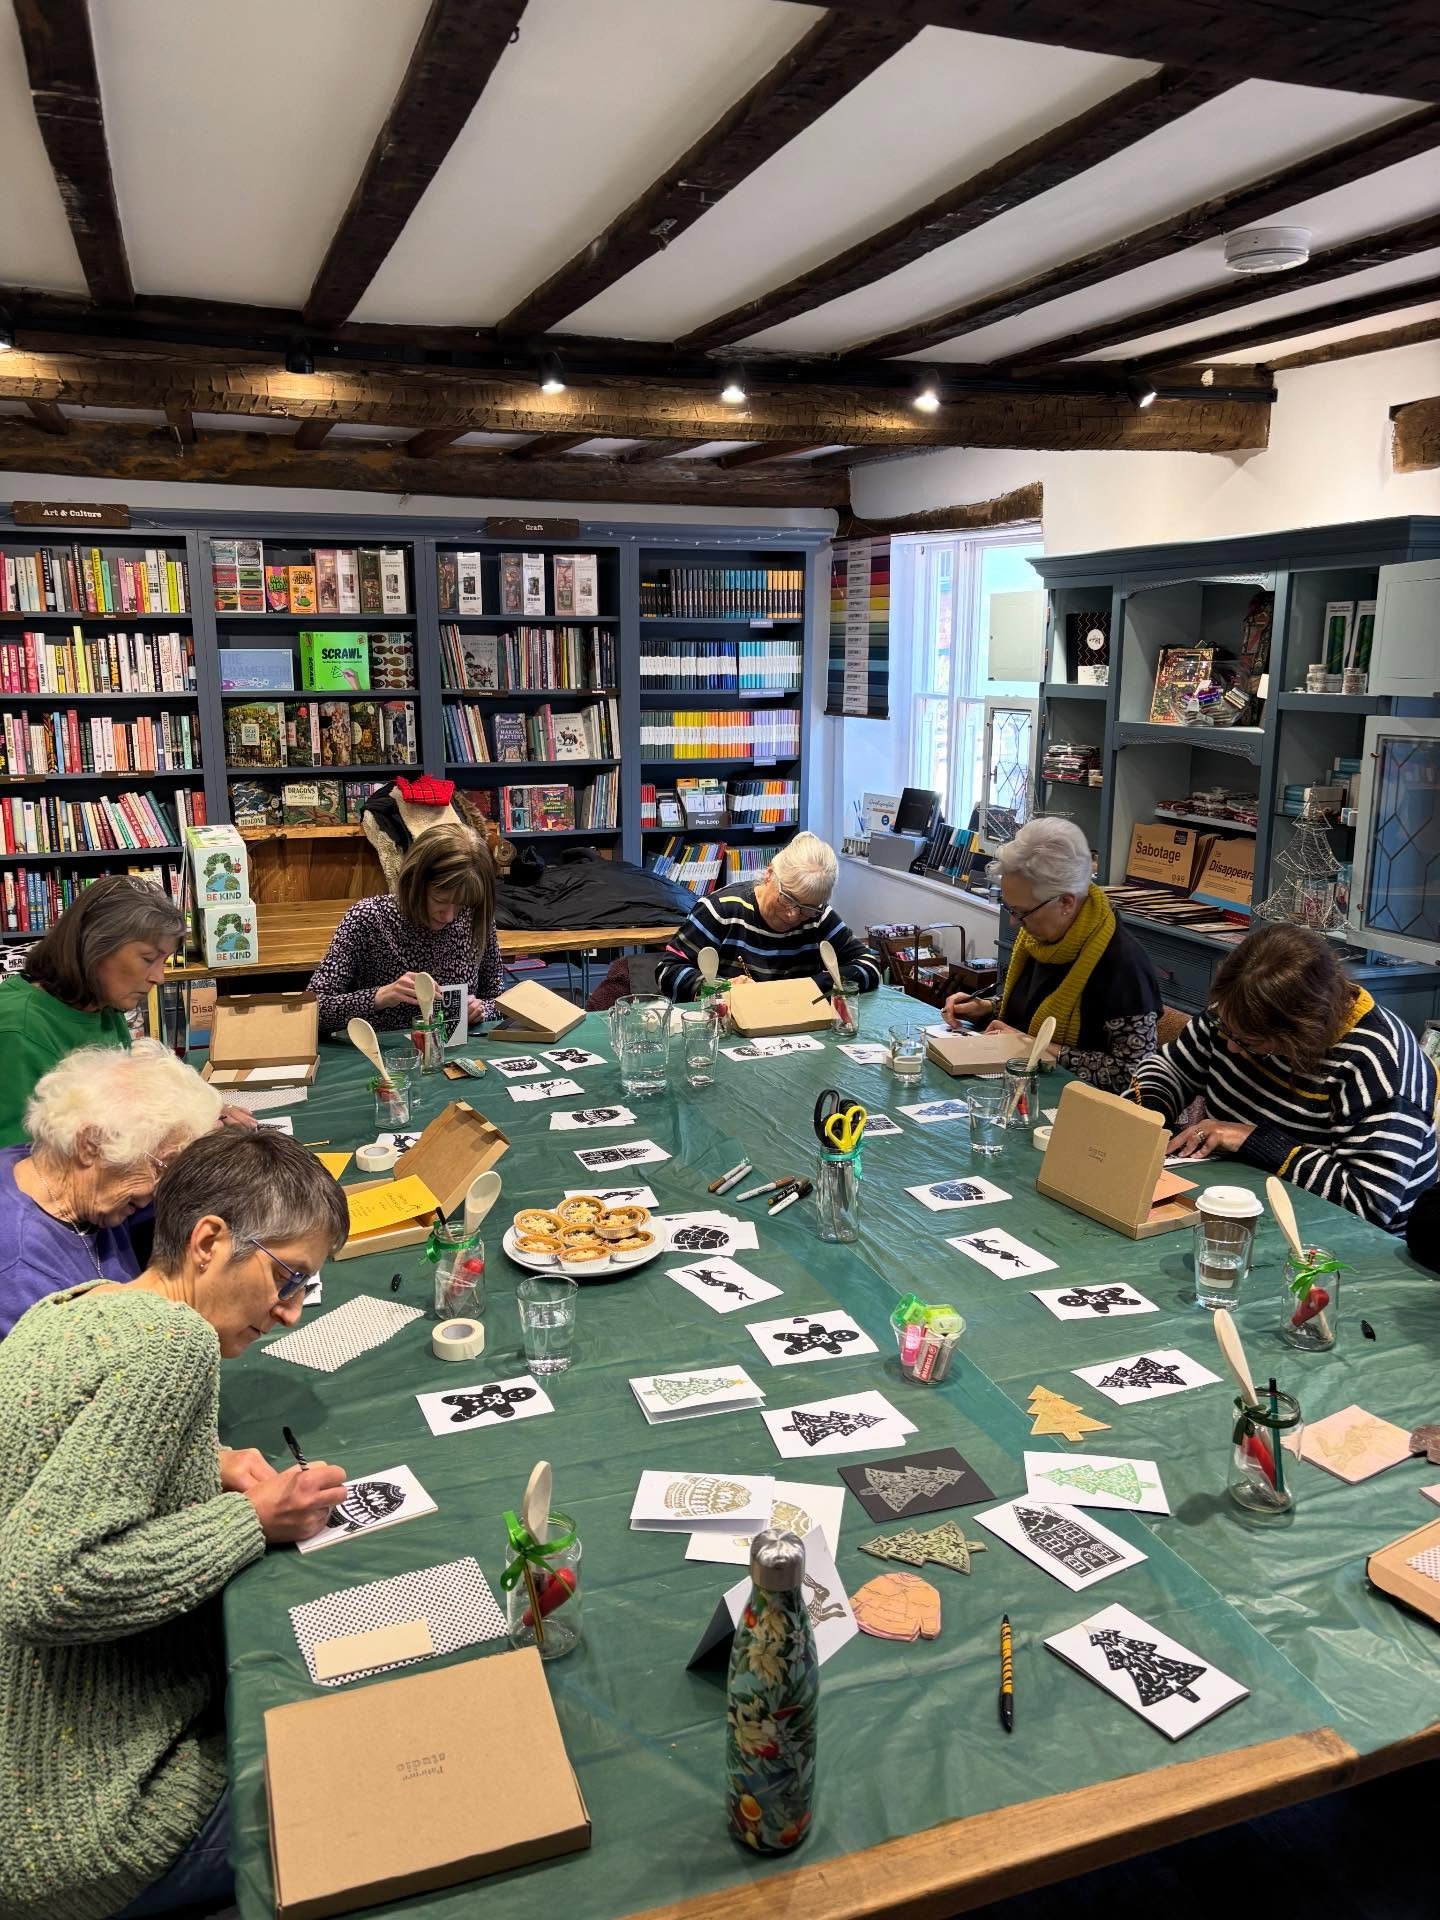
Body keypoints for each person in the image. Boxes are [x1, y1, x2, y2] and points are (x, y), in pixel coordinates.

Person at [0, 1129, 349, 1920]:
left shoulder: (70, 1307)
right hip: (77, 1831)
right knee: (362, 1775)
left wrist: (204, 1460)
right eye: (287, 1278)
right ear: (209, 1240)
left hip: (23, 1797)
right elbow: (42, 1585)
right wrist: (253, 1520)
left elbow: (66, 1460)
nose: (291, 1312)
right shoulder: (173, 1341)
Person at [1133, 922, 1438, 1232]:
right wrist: (1142, 1119)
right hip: (1240, 1198)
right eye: (1226, 1030)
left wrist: (1251, 1139)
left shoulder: (1379, 1065)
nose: (1230, 1046)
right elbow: (1169, 1068)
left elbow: (1369, 1204)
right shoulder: (1240, 1009)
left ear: (1301, 1032)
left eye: (1248, 1042)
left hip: (1346, 1239)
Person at [0, 874, 256, 1142]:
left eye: (164, 961)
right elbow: (15, 1168)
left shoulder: (101, 1005)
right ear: (94, 947)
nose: (159, 977)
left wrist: (199, 1115)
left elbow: (125, 1103)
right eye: (148, 959)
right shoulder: (16, 1030)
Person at [0, 1041, 223, 1336]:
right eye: (162, 1165)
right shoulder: (23, 1275)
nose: (160, 1189)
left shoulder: (55, 1170)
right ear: (91, 1145)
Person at [943, 817, 1161, 1092]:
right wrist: (987, 1007)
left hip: (1079, 1110)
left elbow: (1134, 1077)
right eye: (1010, 909)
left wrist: (1035, 1048)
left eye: (1021, 912)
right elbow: (1035, 1008)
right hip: (1021, 1087)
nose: (1014, 923)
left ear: (1066, 902)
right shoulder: (1038, 938)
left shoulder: (1123, 965)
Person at [307, 821, 503, 1035]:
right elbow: (312, 1011)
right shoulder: (367, 918)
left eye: (462, 904)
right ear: (413, 882)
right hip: (381, 1056)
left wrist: (482, 1009)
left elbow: (500, 1000)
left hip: (453, 1054)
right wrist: (380, 996)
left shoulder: (475, 916)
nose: (448, 916)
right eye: (439, 900)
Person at [655, 832, 880, 1001]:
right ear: (770, 874)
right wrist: (718, 988)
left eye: (807, 907)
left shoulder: (819, 918)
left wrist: (815, 984)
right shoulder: (721, 911)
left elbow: (869, 965)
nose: (793, 914)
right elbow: (667, 971)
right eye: (788, 898)